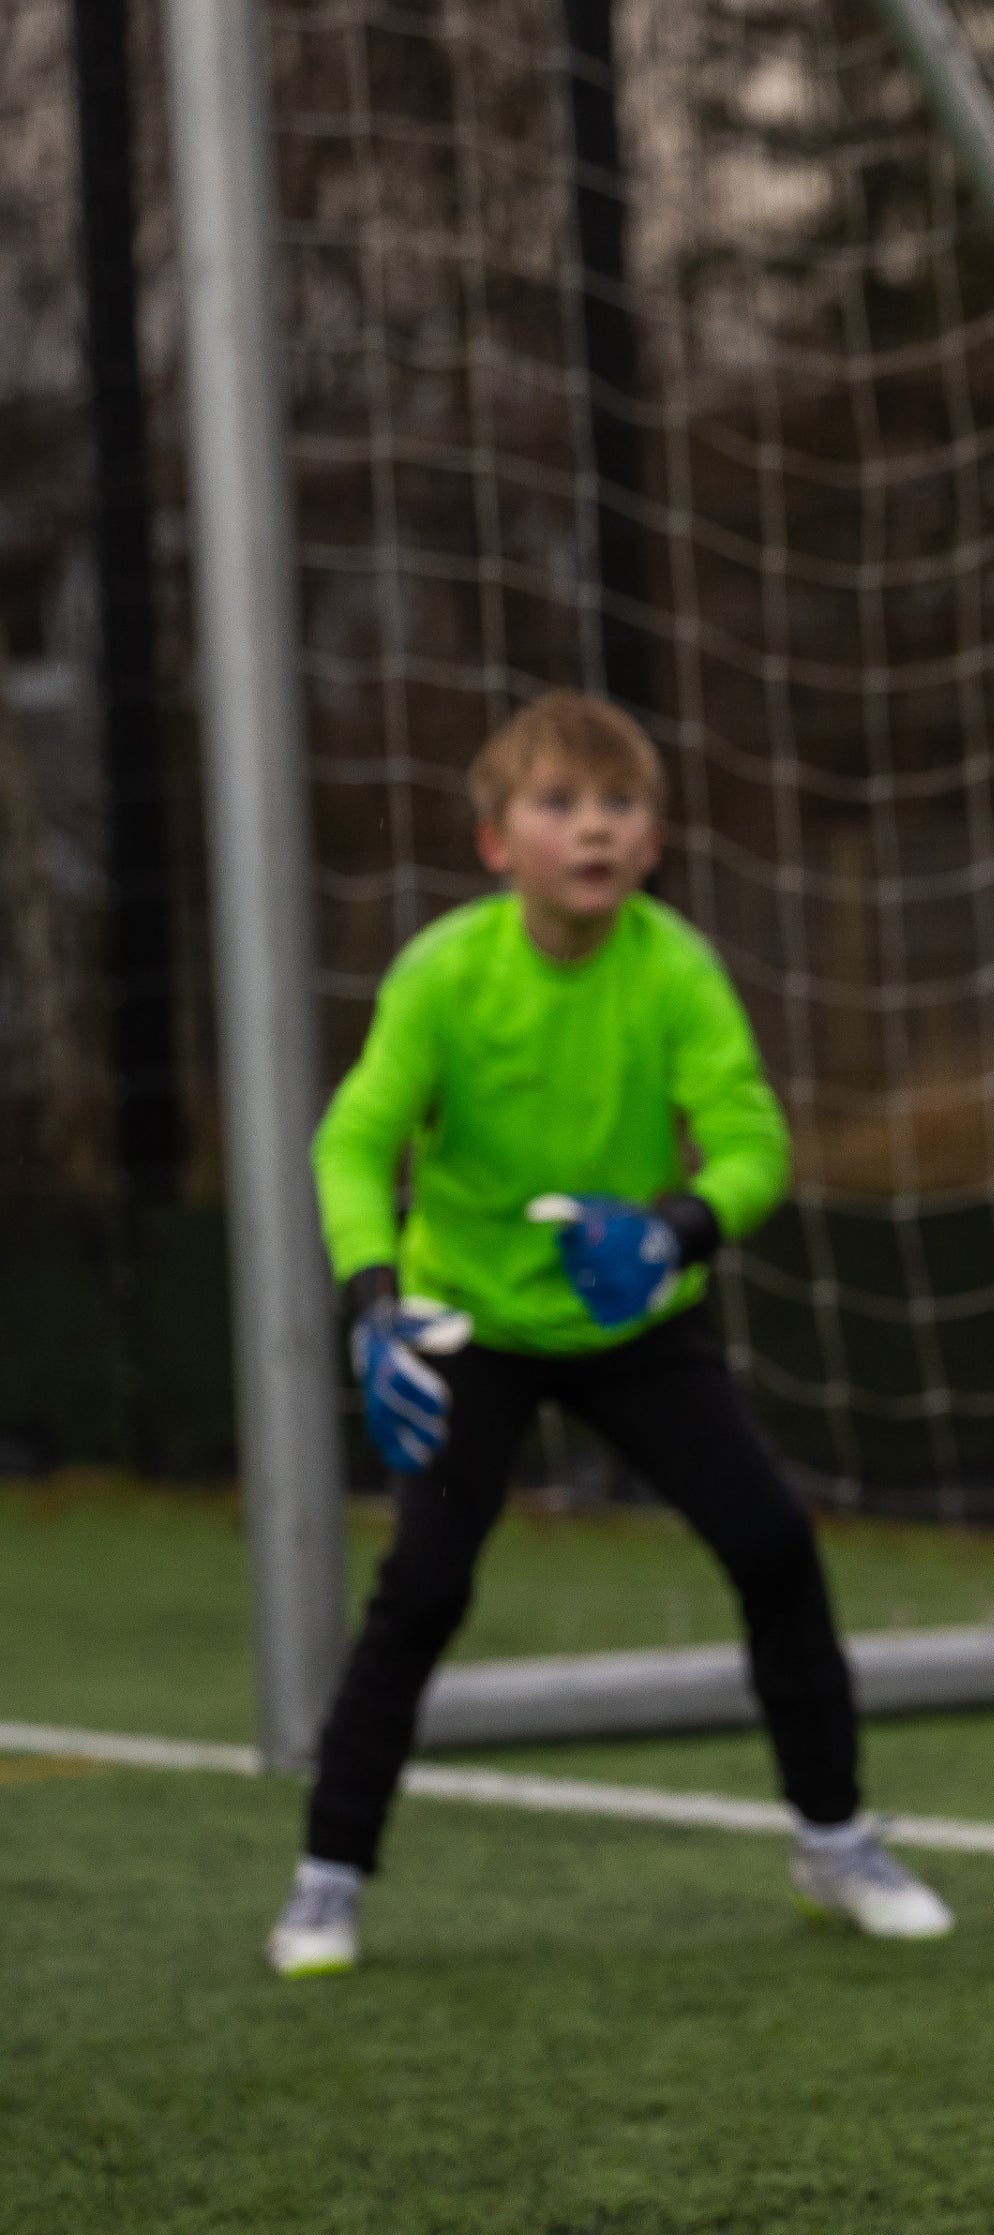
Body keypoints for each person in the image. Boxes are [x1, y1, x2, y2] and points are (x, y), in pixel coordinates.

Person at [267, 691, 950, 1980]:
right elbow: (353, 1141)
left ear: (653, 842)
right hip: (467, 1320)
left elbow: (752, 1144)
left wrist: (672, 1234)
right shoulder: (443, 975)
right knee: (425, 1586)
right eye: (559, 803)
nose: (593, 828)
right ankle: (326, 1880)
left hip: (636, 1318)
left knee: (771, 1542)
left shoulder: (677, 968)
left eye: (620, 805)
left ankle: (836, 1841)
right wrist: (376, 1306)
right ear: (495, 843)